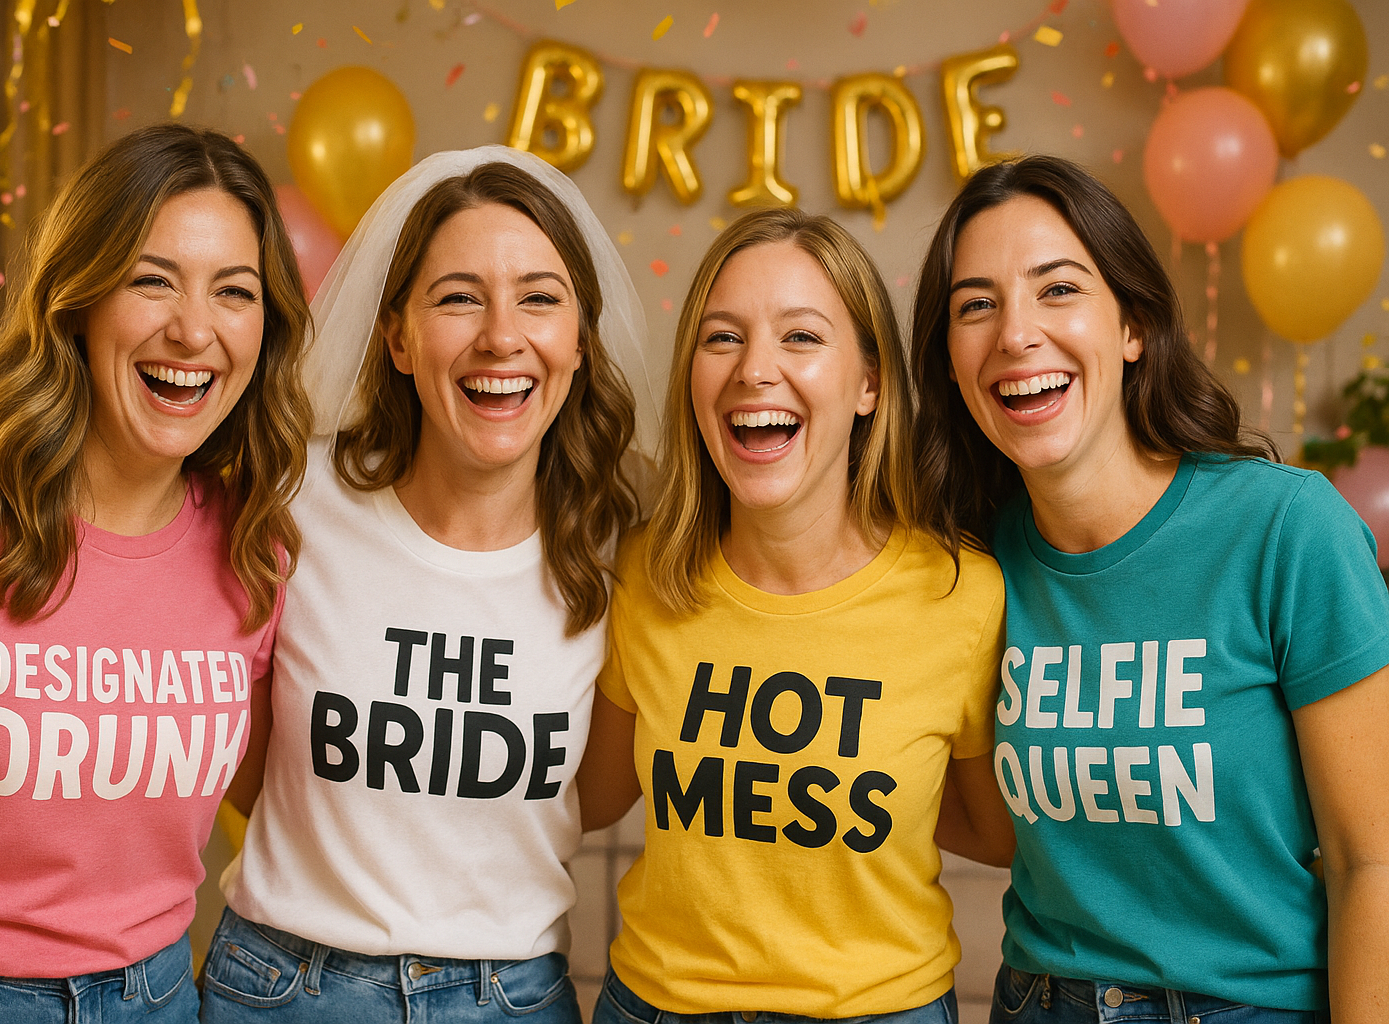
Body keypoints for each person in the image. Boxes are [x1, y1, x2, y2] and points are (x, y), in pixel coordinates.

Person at [909, 154, 1389, 1024]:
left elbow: (1373, 863)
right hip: (1037, 1002)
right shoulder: (964, 563)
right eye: (976, 305)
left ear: (1133, 325)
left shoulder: (1287, 530)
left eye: (1058, 289)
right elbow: (989, 824)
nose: (1015, 334)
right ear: (947, 359)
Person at [0, 123, 312, 1023]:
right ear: (79, 300)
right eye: (152, 280)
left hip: (158, 996)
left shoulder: (255, 548)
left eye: (234, 291)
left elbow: (294, 805)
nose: (194, 329)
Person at [200, 146, 662, 1024]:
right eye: (458, 298)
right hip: (282, 991)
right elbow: (245, 758)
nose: (501, 336)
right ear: (398, 338)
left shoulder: (625, 547)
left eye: (539, 298)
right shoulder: (292, 502)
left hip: (512, 998)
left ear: (579, 341)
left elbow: (598, 796)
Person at [577, 207, 1012, 1024]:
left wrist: (866, 801)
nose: (754, 370)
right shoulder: (645, 573)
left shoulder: (964, 595)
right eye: (722, 338)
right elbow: (589, 800)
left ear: (870, 383)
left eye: (801, 337)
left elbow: (996, 834)